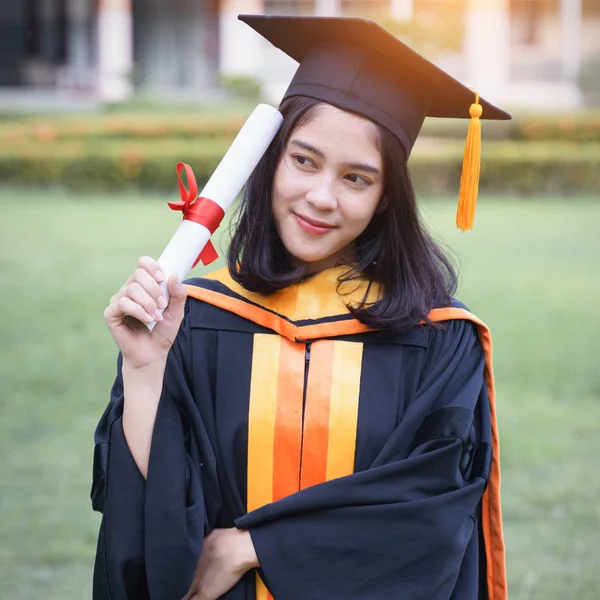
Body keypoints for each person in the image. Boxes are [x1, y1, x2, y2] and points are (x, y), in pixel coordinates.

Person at [91, 15, 510, 600]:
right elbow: (151, 530)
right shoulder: (195, 318)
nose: (321, 197)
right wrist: (142, 371)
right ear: (271, 162)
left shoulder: (438, 340)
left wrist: (253, 545)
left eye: (357, 178)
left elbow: (428, 516)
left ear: (387, 195)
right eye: (304, 161)